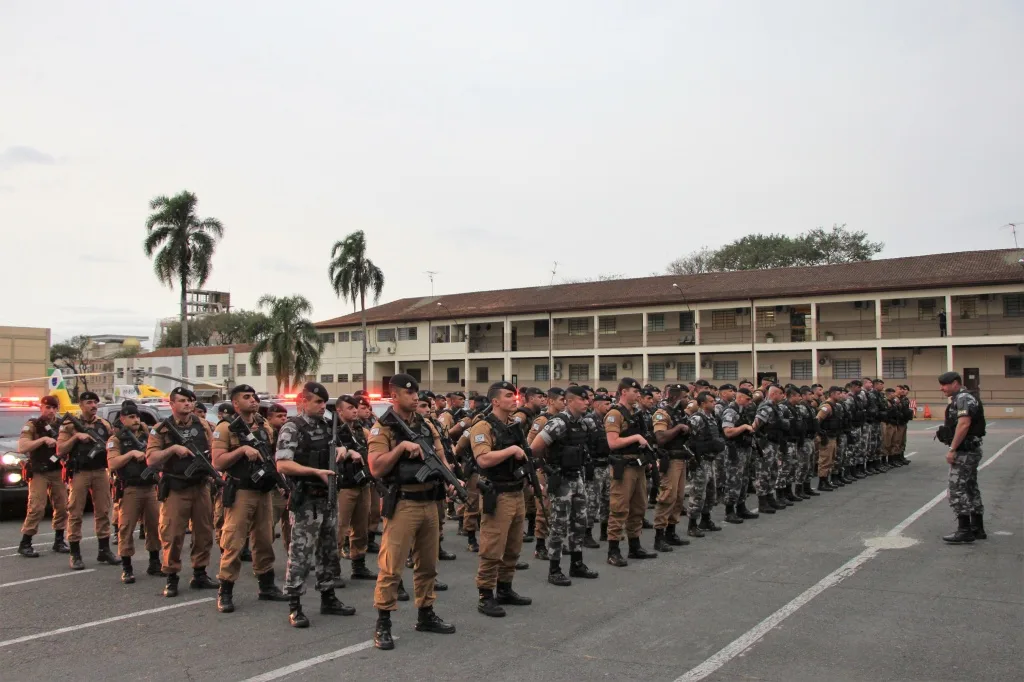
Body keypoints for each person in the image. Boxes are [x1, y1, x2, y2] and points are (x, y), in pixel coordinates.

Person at [368, 374, 456, 651]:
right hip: (404, 503)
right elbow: (376, 468)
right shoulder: (383, 429)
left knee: (428, 565)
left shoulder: (427, 424)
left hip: (430, 502)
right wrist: (401, 449)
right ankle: (383, 621)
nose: (415, 396)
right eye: (408, 393)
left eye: (416, 392)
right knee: (391, 567)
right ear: (394, 396)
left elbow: (441, 458)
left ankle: (426, 614)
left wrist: (453, 480)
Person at [274, 382, 355, 627]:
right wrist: (314, 471)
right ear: (303, 402)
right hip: (306, 498)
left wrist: (342, 450)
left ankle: (328, 597)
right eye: (317, 402)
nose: (322, 407)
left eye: (324, 403)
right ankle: (295, 605)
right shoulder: (293, 428)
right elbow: (283, 464)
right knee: (300, 553)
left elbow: (341, 446)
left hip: (327, 497)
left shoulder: (326, 426)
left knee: (328, 551)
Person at [212, 384, 289, 613]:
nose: (253, 400)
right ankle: (225, 590)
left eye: (254, 396)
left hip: (264, 491)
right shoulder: (226, 428)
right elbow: (217, 462)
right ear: (235, 403)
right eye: (246, 397)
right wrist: (241, 451)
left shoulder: (264, 426)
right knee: (233, 542)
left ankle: (266, 586)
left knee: (265, 540)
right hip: (241, 491)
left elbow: (272, 456)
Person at [146, 387, 219, 596]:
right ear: (172, 404)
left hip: (201, 485)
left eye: (190, 400)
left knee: (204, 532)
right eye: (182, 400)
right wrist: (172, 450)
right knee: (173, 534)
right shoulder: (161, 429)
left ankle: (200, 573)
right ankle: (171, 576)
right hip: (176, 487)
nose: (187, 404)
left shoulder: (203, 424)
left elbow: (214, 449)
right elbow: (150, 459)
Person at [472, 381, 532, 616]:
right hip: (498, 494)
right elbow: (483, 459)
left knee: (513, 546)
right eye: (508, 396)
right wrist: (510, 451)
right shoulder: (483, 427)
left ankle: (505, 588)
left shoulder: (514, 425)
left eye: (514, 395)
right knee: (492, 547)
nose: (513, 399)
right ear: (495, 401)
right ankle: (485, 594)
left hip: (516, 491)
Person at [530, 385, 599, 586]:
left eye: (588, 399)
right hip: (561, 481)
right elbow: (534, 449)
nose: (587, 402)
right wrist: (548, 469)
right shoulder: (558, 423)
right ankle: (554, 569)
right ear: (569, 401)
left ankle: (577, 564)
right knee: (558, 524)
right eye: (582, 399)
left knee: (580, 521)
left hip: (577, 477)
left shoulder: (583, 424)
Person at [57, 391, 119, 570]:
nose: (93, 406)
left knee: (103, 510)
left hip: (100, 472)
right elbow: (60, 449)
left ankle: (104, 550)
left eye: (95, 403)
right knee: (75, 512)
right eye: (89, 402)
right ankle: (75, 553)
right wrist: (76, 437)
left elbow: (112, 445)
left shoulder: (104, 424)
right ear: (81, 405)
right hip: (80, 472)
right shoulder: (69, 425)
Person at [106, 400, 162, 582]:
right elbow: (112, 463)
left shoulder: (147, 436)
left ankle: (154, 563)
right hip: (130, 489)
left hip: (149, 487)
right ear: (122, 419)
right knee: (126, 528)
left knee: (154, 527)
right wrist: (130, 454)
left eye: (137, 416)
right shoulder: (116, 440)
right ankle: (127, 567)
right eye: (131, 417)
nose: (136, 420)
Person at [603, 378, 656, 566]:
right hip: (623, 467)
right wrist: (635, 437)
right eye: (635, 391)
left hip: (638, 465)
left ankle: (635, 546)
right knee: (619, 509)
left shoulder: (636, 414)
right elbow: (613, 442)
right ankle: (613, 550)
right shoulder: (615, 414)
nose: (638, 395)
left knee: (639, 507)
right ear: (624, 392)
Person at [16, 395, 70, 558]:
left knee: (62, 506)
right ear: (41, 408)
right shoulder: (33, 425)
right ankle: (26, 542)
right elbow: (22, 446)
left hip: (56, 470)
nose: (51, 411)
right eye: (48, 407)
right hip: (39, 471)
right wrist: (43, 440)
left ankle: (59, 540)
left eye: (54, 408)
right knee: (37, 507)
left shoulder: (62, 426)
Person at [937, 372, 986, 544]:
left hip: (965, 452)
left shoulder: (963, 398)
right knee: (971, 487)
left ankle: (964, 530)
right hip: (970, 450)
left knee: (956, 489)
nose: (941, 388)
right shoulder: (965, 397)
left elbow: (964, 423)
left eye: (944, 384)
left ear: (955, 383)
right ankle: (977, 527)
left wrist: (952, 449)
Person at [335, 394, 378, 581]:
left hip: (362, 483)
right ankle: (333, 569)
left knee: (361, 527)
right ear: (339, 410)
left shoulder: (362, 430)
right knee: (339, 527)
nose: (354, 410)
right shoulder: (333, 431)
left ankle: (358, 564)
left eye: (355, 407)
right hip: (344, 486)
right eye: (350, 408)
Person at [650, 384, 692, 552]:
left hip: (681, 458)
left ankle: (671, 532)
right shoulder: (662, 414)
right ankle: (659, 536)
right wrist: (678, 428)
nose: (687, 401)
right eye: (684, 397)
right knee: (667, 496)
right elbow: (660, 437)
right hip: (670, 459)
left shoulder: (680, 414)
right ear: (675, 397)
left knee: (679, 498)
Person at [526, 388, 566, 561]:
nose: (564, 403)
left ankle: (556, 541)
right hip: (544, 469)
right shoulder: (542, 420)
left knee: (560, 508)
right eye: (561, 400)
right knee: (544, 508)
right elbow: (530, 446)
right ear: (551, 401)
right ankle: (540, 545)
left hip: (559, 469)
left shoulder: (563, 420)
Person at [686, 391, 725, 537]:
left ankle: (706, 520)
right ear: (703, 403)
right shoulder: (697, 419)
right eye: (711, 401)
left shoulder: (712, 418)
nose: (714, 403)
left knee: (710, 494)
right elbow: (689, 440)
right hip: (701, 460)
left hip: (710, 460)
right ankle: (692, 525)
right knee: (698, 494)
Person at [720, 388, 759, 523]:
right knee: (733, 480)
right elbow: (728, 432)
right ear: (740, 397)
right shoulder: (730, 411)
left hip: (745, 449)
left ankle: (741, 507)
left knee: (744, 480)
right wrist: (743, 427)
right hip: (734, 451)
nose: (749, 402)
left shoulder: (743, 411)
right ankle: (729, 511)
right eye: (747, 399)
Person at [584, 393, 612, 543]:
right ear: (596, 404)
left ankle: (604, 531)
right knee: (592, 501)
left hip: (607, 464)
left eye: (609, 404)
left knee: (607, 500)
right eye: (605, 404)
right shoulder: (588, 421)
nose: (608, 407)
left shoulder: (608, 420)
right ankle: (587, 534)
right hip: (594, 465)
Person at [264, 403, 292, 551]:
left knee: (290, 525)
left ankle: (292, 556)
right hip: (274, 487)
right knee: (268, 526)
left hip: (288, 483)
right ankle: (263, 559)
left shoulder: (287, 433)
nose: (283, 419)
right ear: (269, 418)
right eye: (279, 416)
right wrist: (278, 484)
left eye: (285, 416)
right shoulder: (266, 435)